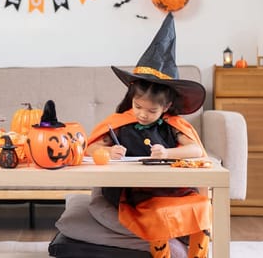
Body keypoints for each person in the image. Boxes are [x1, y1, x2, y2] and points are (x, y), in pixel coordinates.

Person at [85, 13, 210, 258]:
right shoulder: (121, 123)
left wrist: (168, 152)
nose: (142, 114)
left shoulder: (172, 125)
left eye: (151, 110)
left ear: (165, 107)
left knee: (202, 208)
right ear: (131, 99)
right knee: (158, 215)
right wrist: (109, 152)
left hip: (172, 190)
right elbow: (90, 149)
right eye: (138, 107)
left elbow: (195, 150)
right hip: (139, 193)